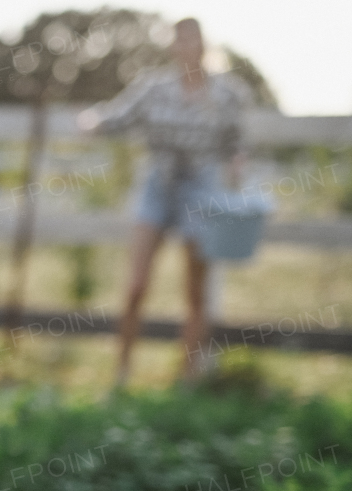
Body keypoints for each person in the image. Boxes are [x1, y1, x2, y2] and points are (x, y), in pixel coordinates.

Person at [78, 18, 250, 385]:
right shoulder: (153, 88)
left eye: (195, 40)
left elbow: (235, 142)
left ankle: (187, 378)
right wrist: (93, 121)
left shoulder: (226, 93)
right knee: (136, 285)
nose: (188, 47)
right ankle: (121, 373)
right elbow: (117, 117)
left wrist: (237, 163)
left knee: (194, 290)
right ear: (174, 47)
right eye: (181, 40)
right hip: (158, 184)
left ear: (204, 46)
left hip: (201, 189)